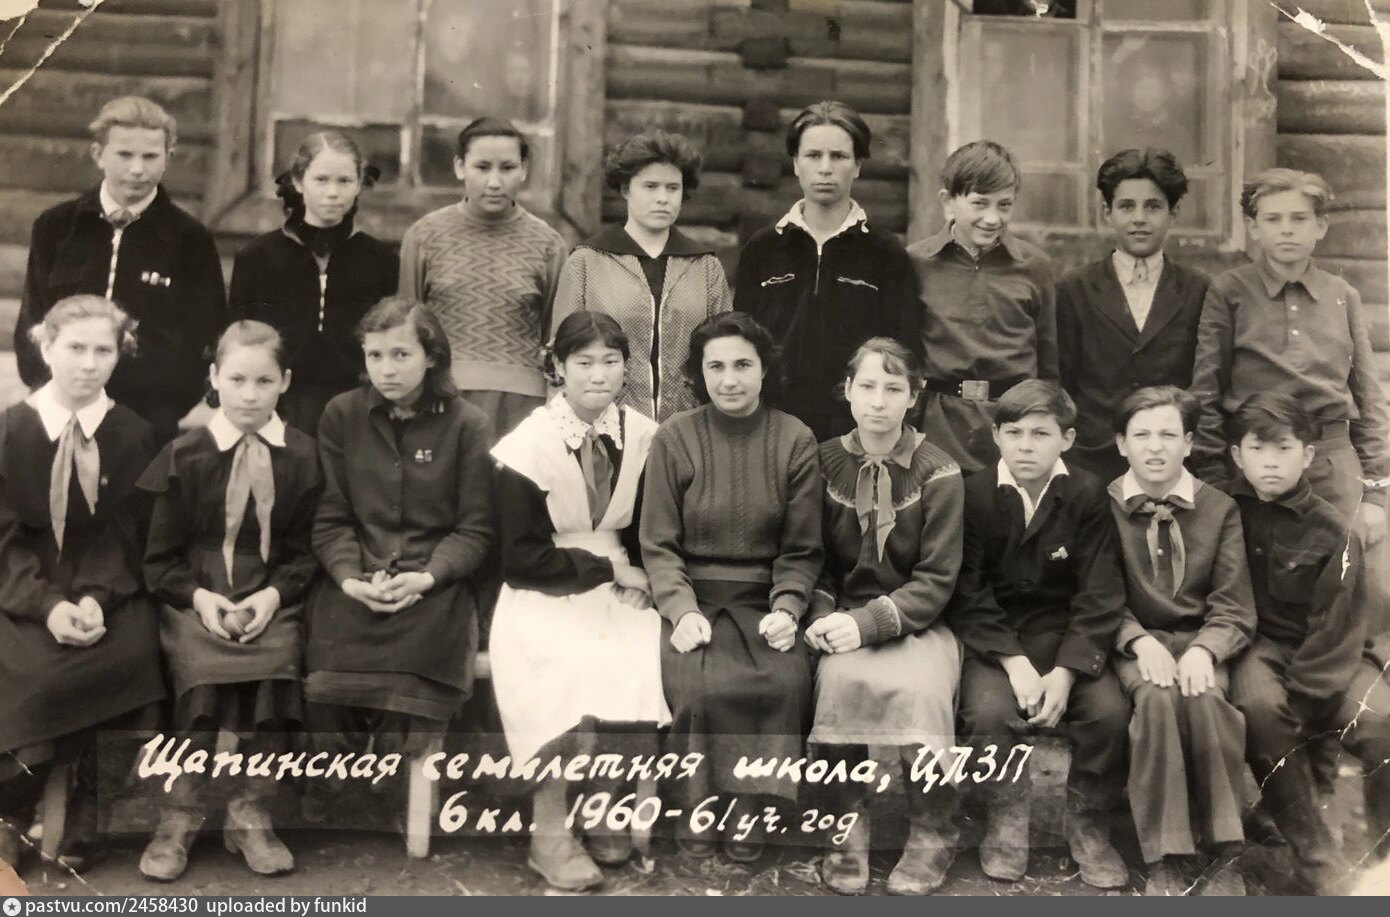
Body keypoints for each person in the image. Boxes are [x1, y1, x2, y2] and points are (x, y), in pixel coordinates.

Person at [490, 311, 671, 890]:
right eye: (584, 362)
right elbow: (520, 559)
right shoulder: (526, 447)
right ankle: (549, 829)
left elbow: (651, 528)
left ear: (626, 368)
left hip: (623, 582)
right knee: (561, 665)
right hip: (546, 585)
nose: (598, 375)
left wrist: (640, 576)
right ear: (558, 368)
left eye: (611, 361)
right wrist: (608, 569)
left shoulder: (644, 435)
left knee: (638, 653)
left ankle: (605, 804)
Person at [136, 321, 322, 881]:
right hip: (195, 593)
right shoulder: (185, 454)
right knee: (199, 666)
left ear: (285, 382)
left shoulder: (303, 456)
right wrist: (199, 598)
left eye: (264, 381)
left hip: (271, 592)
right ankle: (180, 813)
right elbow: (159, 559)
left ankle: (249, 810)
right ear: (214, 378)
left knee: (279, 659)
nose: (249, 394)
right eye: (237, 379)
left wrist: (273, 595)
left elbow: (305, 550)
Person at [641, 311, 823, 864]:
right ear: (700, 373)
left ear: (764, 369)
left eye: (743, 365)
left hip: (763, 596)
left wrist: (788, 608)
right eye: (715, 367)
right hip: (693, 596)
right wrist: (680, 610)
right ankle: (697, 805)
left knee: (782, 679)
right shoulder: (675, 436)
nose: (729, 380)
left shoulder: (795, 438)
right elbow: (658, 544)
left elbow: (802, 549)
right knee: (698, 685)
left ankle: (750, 805)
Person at [302, 297, 493, 811]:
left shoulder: (468, 424)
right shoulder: (341, 415)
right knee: (324, 672)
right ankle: (335, 782)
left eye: (401, 355)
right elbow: (331, 519)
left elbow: (475, 530)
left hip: (435, 587)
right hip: (356, 579)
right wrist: (350, 578)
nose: (386, 369)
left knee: (420, 666)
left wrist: (428, 577)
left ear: (432, 357)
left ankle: (398, 784)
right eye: (375, 355)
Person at [0, 296, 164, 871]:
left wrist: (95, 597)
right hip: (21, 589)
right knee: (28, 669)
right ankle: (11, 809)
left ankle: (92, 807)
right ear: (45, 348)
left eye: (103, 350)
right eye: (75, 348)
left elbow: (128, 535)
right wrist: (47, 605)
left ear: (120, 355)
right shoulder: (9, 431)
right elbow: (3, 540)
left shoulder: (134, 435)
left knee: (136, 654)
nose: (89, 364)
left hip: (107, 588)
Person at [948, 380, 1130, 890]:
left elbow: (1099, 593)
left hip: (1066, 637)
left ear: (1067, 439)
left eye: (1040, 433)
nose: (1025, 446)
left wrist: (1068, 673)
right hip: (997, 640)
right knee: (988, 714)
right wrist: (1013, 662)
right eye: (1014, 433)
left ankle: (1088, 823)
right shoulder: (973, 493)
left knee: (1109, 714)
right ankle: (1005, 819)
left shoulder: (1087, 493)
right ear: (996, 436)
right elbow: (968, 592)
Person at [806, 338, 964, 896]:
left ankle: (932, 829)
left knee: (922, 692)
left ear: (914, 397)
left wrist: (869, 622)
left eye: (894, 388)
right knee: (837, 682)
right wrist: (823, 615)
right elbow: (812, 558)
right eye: (867, 386)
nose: (879, 401)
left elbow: (938, 579)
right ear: (847, 391)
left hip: (917, 622)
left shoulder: (939, 471)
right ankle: (847, 822)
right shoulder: (821, 462)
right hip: (841, 618)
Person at [1225, 393, 1389, 893]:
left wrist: (1307, 696)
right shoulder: (1225, 513)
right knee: (1260, 708)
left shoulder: (1333, 528)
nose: (1270, 462)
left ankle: (1382, 858)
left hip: (1327, 655)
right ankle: (1316, 858)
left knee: (1379, 723)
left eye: (1284, 448)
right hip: (1256, 647)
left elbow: (1340, 628)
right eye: (1257, 449)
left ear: (1309, 455)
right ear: (1237, 456)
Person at [1190, 168, 1390, 549]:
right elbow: (1206, 390)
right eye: (1273, 219)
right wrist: (1216, 481)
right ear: (1253, 227)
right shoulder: (1229, 291)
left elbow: (1369, 398)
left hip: (1330, 464)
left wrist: (1376, 494)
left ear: (1321, 226)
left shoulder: (1342, 295)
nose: (1286, 230)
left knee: (1349, 570)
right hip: (1254, 464)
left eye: (1299, 219)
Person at [1108, 385, 1256, 895]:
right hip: (1135, 642)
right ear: (1121, 444)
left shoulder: (1219, 508)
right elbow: (1098, 596)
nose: (1155, 447)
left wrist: (1205, 649)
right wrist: (1136, 640)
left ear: (1189, 443)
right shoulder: (1103, 505)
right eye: (1141, 435)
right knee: (1155, 701)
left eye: (1169, 435)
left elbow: (1233, 601)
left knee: (1206, 699)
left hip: (1198, 640)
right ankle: (1167, 855)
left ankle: (1224, 849)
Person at [15, 96, 226, 442]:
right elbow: (32, 319)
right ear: (99, 154)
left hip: (146, 421)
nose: (138, 169)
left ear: (168, 158)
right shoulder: (56, 226)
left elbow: (204, 335)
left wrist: (166, 406)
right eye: (125, 155)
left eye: (150, 156)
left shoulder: (190, 239)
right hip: (60, 410)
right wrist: (49, 389)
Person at [734, 100, 918, 442]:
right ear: (796, 163)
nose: (825, 168)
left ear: (857, 166)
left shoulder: (885, 251)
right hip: (773, 426)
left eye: (838, 156)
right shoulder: (764, 248)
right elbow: (743, 344)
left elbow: (902, 349)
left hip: (856, 430)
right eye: (813, 155)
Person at [398, 117, 568, 442]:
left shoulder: (548, 244)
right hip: (442, 402)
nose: (494, 182)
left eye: (507, 168)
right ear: (460, 167)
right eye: (482, 167)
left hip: (522, 411)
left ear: (524, 170)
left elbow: (556, 338)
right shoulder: (423, 236)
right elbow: (407, 329)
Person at [551, 131, 731, 421]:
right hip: (607, 422)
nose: (662, 198)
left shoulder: (705, 266)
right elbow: (560, 354)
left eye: (672, 188)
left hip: (688, 425)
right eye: (650, 186)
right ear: (626, 189)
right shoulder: (586, 262)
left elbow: (725, 351)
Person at [1055, 148, 1210, 482]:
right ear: (1107, 212)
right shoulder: (1074, 288)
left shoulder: (1198, 289)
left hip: (1169, 463)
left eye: (1153, 206)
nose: (1139, 218)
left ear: (1173, 213)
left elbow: (1203, 384)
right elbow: (1062, 382)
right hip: (1092, 461)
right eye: (1126, 206)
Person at [229, 131, 398, 433]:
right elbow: (239, 336)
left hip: (357, 407)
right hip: (279, 406)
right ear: (298, 181)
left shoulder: (379, 260)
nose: (333, 192)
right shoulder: (258, 257)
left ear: (359, 183)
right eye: (321, 180)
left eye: (344, 181)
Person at [906, 140, 1057, 473]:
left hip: (1015, 429)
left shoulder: (1035, 267)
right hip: (939, 428)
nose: (992, 218)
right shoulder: (916, 262)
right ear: (948, 202)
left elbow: (1049, 364)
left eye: (1004, 205)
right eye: (979, 203)